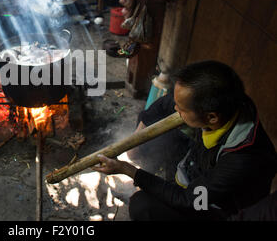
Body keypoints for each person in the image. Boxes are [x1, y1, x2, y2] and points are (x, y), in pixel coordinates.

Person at [93, 60, 277, 220]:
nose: (175, 108)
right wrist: (136, 139)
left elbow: (192, 199)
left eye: (181, 108)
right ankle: (168, 185)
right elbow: (164, 105)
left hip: (215, 207)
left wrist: (127, 170)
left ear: (212, 118)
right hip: (196, 171)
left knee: (142, 205)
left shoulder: (243, 159)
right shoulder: (216, 101)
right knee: (170, 138)